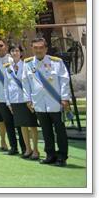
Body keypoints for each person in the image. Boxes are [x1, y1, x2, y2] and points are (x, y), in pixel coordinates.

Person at [25, 37, 71, 167]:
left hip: (55, 102)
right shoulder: (28, 64)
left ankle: (62, 156)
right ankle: (50, 155)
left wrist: (65, 98)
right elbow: (26, 83)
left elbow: (64, 80)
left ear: (46, 49)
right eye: (35, 48)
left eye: (41, 48)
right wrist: (28, 99)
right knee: (46, 131)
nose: (38, 50)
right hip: (39, 102)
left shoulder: (56, 62)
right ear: (31, 49)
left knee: (60, 131)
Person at [5, 44, 39, 160]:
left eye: (16, 51)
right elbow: (6, 86)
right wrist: (8, 102)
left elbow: (31, 83)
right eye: (12, 51)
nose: (14, 53)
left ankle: (35, 149)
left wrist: (31, 99)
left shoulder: (27, 65)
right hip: (15, 100)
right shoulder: (8, 68)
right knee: (22, 125)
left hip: (26, 100)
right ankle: (27, 148)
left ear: (21, 53)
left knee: (32, 125)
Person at [0, 38, 21, 154]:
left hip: (16, 97)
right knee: (8, 123)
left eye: (1, 45)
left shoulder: (13, 59)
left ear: (6, 46)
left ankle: (24, 147)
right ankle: (13, 146)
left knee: (19, 123)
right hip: (1, 97)